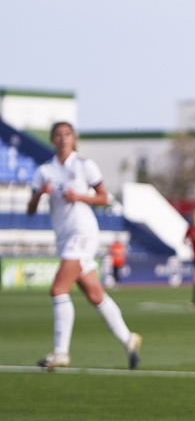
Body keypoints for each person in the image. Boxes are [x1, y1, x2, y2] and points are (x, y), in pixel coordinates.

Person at [27, 122, 142, 369]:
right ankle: (128, 338)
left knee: (58, 289)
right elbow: (30, 209)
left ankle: (61, 352)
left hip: (83, 233)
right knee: (95, 294)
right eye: (59, 135)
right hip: (64, 238)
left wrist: (79, 196)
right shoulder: (44, 170)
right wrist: (39, 194)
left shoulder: (84, 165)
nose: (63, 138)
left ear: (74, 138)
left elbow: (104, 197)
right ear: (52, 139)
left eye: (67, 134)